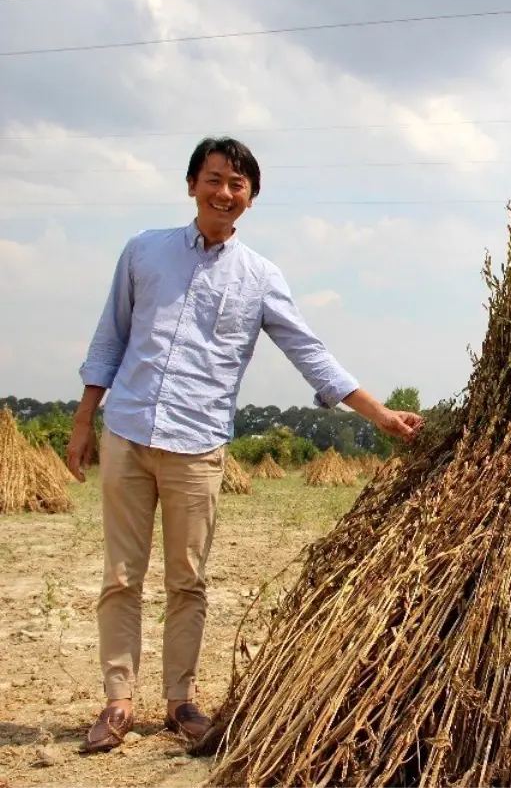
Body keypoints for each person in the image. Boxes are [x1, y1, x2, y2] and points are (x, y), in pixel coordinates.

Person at [65, 136, 424, 754]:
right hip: (127, 431)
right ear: (191, 185)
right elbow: (110, 339)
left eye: (237, 184)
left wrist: (378, 413)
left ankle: (180, 701)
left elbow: (309, 353)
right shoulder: (143, 252)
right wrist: (83, 421)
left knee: (187, 579)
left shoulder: (260, 277)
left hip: (198, 445)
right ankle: (117, 701)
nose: (224, 192)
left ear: (251, 199)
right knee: (121, 576)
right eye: (213, 179)